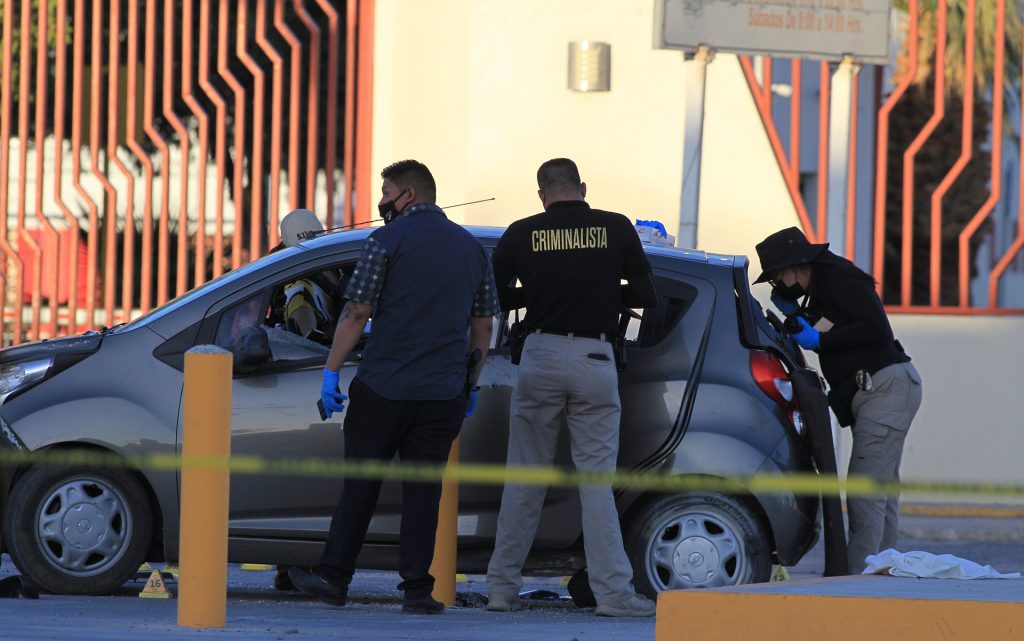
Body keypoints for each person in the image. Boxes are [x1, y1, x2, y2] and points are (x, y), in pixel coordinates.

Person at [288, 160, 498, 614]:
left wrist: (330, 371)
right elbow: (483, 324)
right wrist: (472, 385)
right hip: (443, 393)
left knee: (361, 486)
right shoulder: (472, 249)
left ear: (408, 195)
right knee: (424, 493)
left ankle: (335, 580)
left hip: (383, 386)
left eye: (386, 192)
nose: (381, 202)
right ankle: (418, 591)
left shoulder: (384, 241)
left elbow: (356, 312)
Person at [485, 158, 659, 617]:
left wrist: (535, 296)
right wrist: (604, 291)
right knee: (597, 484)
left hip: (539, 356)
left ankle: (502, 590)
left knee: (524, 478)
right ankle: (614, 596)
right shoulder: (616, 227)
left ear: (542, 194)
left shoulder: (521, 233)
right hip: (594, 358)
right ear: (582, 187)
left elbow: (494, 296)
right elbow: (645, 296)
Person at [753, 226, 923, 575]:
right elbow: (837, 324)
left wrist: (819, 339)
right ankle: (883, 573)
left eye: (777, 278)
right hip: (882, 391)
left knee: (865, 495)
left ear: (796, 267)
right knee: (881, 495)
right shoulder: (823, 287)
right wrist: (801, 320)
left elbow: (876, 329)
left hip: (885, 389)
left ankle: (854, 584)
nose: (777, 286)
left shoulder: (838, 279)